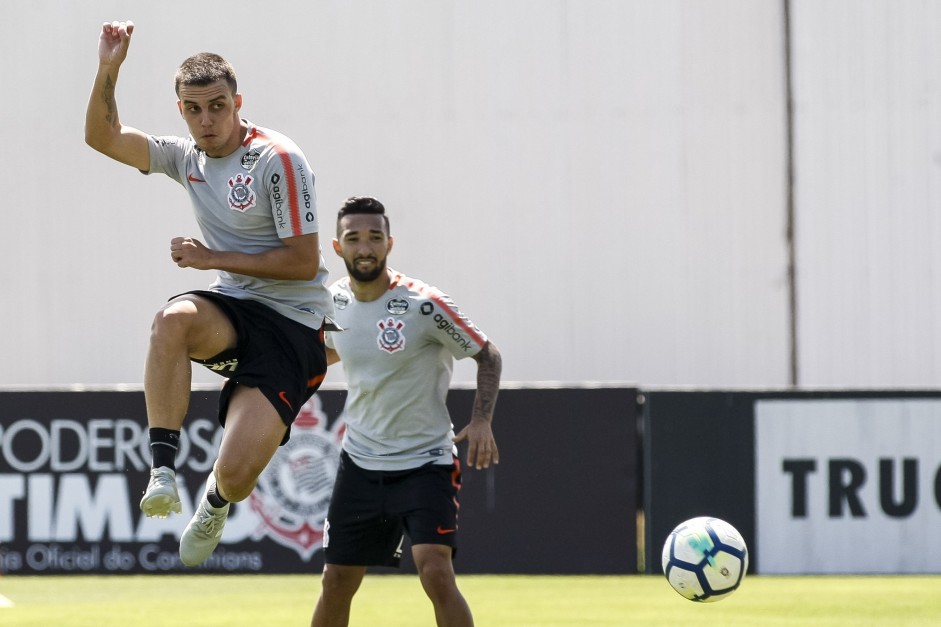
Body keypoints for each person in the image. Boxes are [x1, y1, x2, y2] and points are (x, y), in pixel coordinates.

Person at [84, 20, 335, 567]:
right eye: (194, 109)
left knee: (238, 474)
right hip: (235, 310)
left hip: (294, 323)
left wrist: (208, 257)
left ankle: (216, 502)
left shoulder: (279, 159)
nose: (207, 120)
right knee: (171, 320)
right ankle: (163, 469)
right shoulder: (185, 156)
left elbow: (302, 262)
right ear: (180, 111)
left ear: (237, 102)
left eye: (217, 106)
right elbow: (103, 138)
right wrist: (109, 69)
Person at [311, 197, 502, 627]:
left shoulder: (425, 305)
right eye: (354, 238)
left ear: (389, 244)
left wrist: (482, 419)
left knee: (435, 570)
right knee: (336, 580)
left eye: (374, 238)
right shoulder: (331, 302)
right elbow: (330, 353)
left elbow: (488, 355)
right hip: (360, 463)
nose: (365, 248)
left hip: (425, 463)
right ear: (338, 247)